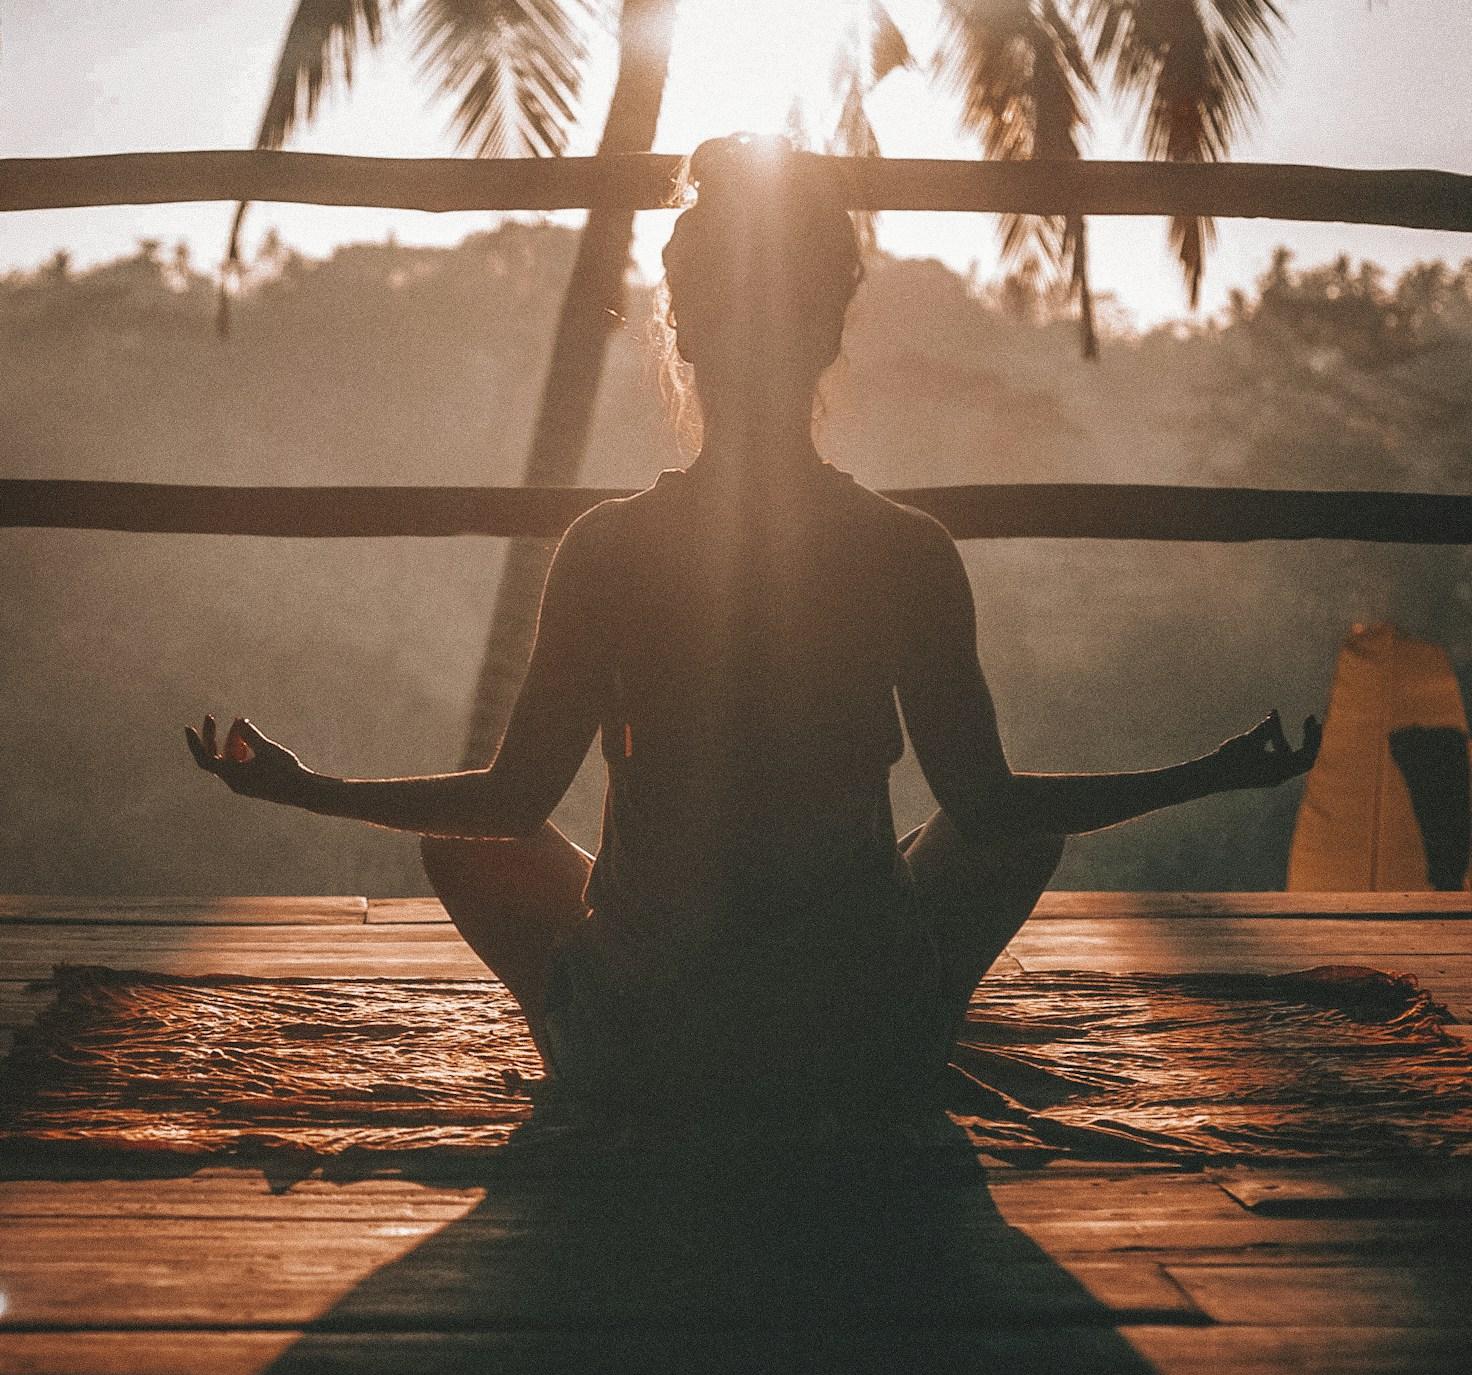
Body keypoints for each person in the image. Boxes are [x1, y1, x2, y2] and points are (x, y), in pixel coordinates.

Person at [187, 135, 1320, 1128]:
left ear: (682, 334)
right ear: (828, 333)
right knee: (1015, 831)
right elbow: (990, 808)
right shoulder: (904, 549)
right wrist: (1208, 773)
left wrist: (305, 785)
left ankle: (593, 1058)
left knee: (464, 844)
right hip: (850, 1038)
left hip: (653, 1041)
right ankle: (906, 1037)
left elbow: (505, 805)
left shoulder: (609, 546)